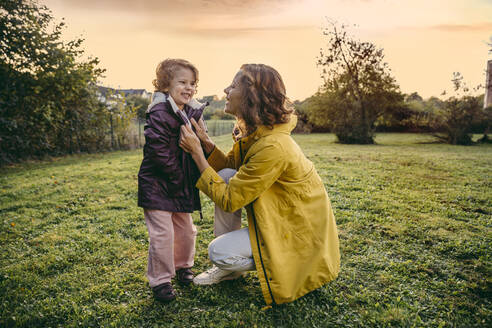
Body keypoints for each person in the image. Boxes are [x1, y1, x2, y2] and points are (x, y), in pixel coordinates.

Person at [179, 64, 340, 305]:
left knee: (217, 252)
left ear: (251, 97)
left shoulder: (272, 146)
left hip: (299, 235)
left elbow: (230, 199)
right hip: (280, 221)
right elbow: (230, 168)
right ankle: (231, 270)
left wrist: (197, 154)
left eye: (233, 86)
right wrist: (206, 143)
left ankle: (290, 260)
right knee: (224, 175)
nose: (225, 90)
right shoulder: (256, 134)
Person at [137, 58, 207, 302]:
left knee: (186, 230)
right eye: (183, 82)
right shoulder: (159, 112)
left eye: (193, 83)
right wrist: (178, 178)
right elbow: (158, 150)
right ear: (166, 85)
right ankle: (161, 281)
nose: (189, 88)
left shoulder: (190, 113)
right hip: (158, 185)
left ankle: (183, 267)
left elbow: (198, 147)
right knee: (162, 234)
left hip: (181, 184)